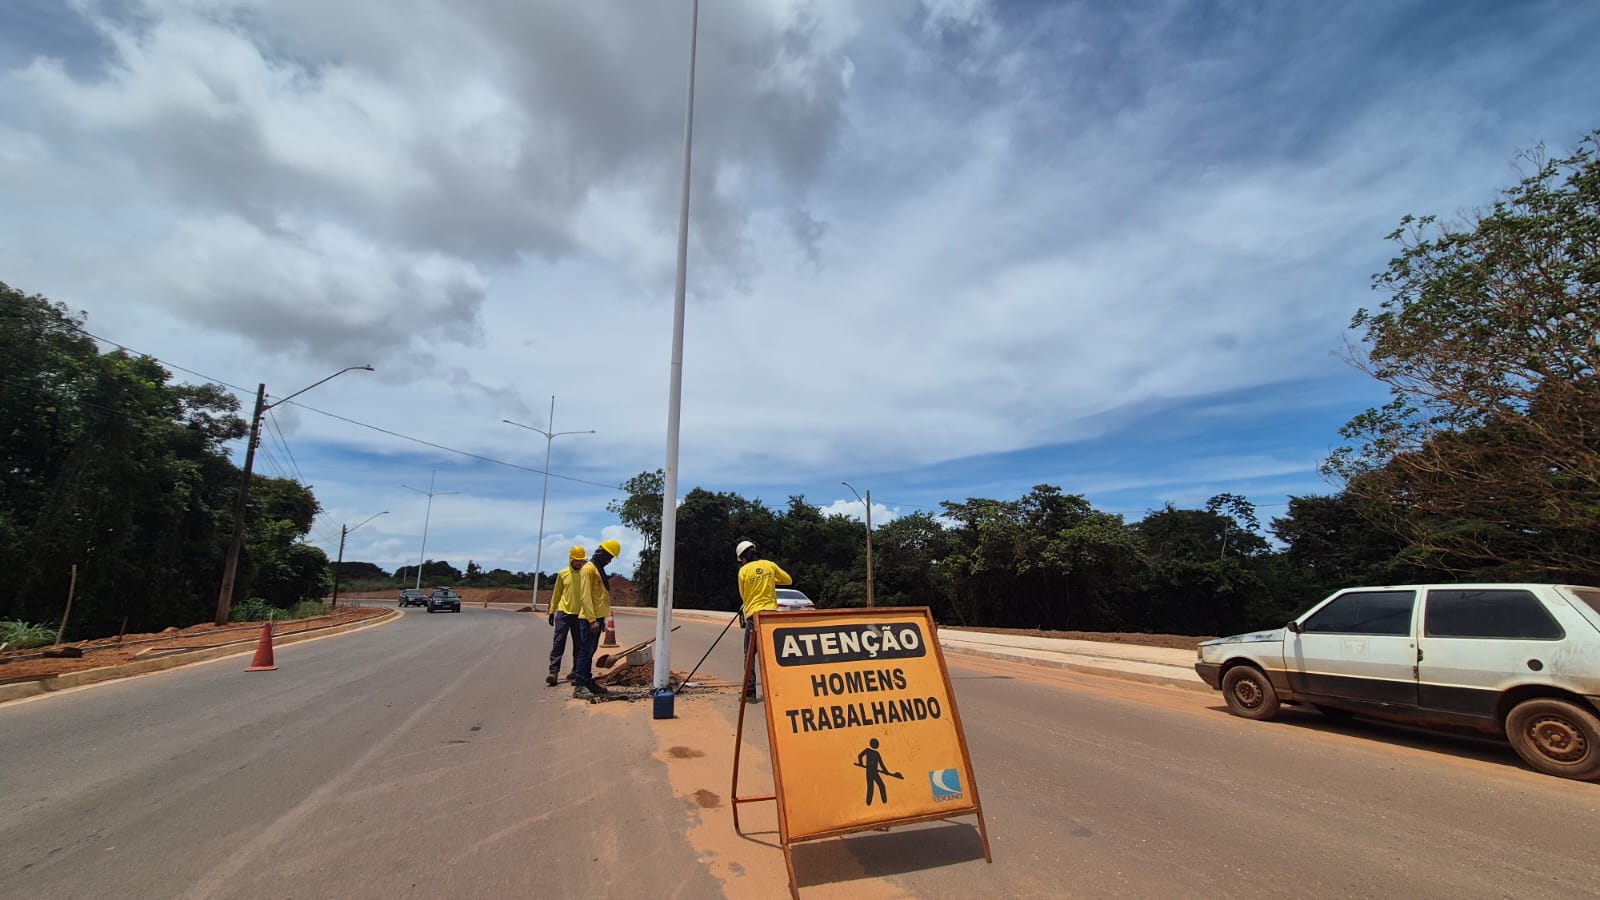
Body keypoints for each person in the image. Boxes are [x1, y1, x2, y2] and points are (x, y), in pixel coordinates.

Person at [735, 540, 791, 703]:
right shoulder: (769, 565)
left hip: (754, 616)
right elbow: (787, 580)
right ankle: (777, 690)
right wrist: (770, 579)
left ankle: (750, 691)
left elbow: (743, 595)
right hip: (771, 616)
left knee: (750, 655)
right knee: (772, 655)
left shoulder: (743, 571)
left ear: (743, 558)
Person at [572, 538, 621, 699]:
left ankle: (587, 681)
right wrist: (592, 620)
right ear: (602, 554)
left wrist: (601, 620)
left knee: (590, 651)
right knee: (585, 651)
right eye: (609, 557)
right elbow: (585, 596)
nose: (610, 561)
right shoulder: (588, 569)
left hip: (597, 618)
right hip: (589, 619)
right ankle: (580, 685)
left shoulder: (598, 569)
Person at [546, 545, 587, 687]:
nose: (578, 563)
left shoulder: (586, 574)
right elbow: (557, 593)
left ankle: (576, 670)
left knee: (579, 645)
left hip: (580, 614)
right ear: (571, 559)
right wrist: (552, 611)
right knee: (558, 642)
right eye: (576, 560)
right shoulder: (563, 574)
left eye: (581, 560)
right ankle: (554, 672)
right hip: (563, 612)